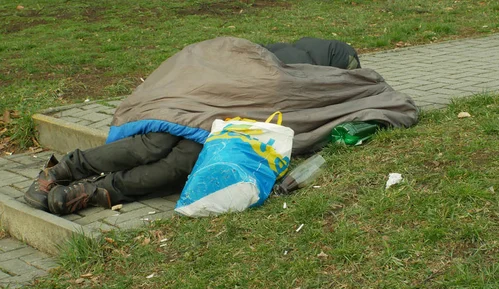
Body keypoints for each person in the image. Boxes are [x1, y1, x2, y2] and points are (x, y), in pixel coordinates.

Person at [24, 37, 362, 215]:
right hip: (202, 106)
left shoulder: (298, 53)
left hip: (218, 122)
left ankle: (89, 191)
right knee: (158, 146)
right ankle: (65, 172)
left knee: (176, 160)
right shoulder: (304, 69)